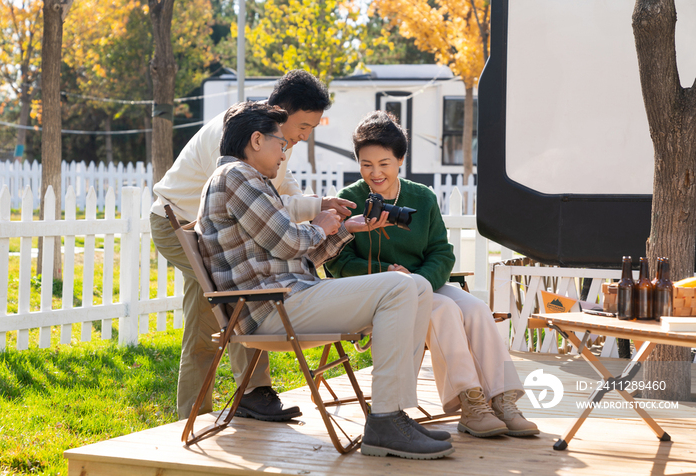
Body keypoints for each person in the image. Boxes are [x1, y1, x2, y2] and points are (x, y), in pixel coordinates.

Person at [195, 101, 454, 459]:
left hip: (289, 297)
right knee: (399, 286)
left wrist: (345, 229)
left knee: (417, 285)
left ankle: (393, 413)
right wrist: (319, 225)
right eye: (280, 143)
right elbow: (288, 240)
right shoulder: (236, 177)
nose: (284, 153)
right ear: (256, 140)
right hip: (271, 308)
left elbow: (296, 255)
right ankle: (385, 420)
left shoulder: (250, 181)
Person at [149, 70, 355, 421]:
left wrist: (319, 203)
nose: (304, 137)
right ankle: (204, 410)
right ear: (282, 111)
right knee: (221, 311)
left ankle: (250, 393)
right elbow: (252, 202)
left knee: (240, 300)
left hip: (218, 226)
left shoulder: (273, 136)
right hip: (179, 223)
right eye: (303, 127)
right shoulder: (239, 134)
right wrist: (315, 212)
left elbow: (279, 188)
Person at [326, 111, 539, 438]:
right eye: (367, 164)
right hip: (374, 294)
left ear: (400, 160)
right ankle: (471, 403)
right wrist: (389, 274)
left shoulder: (421, 197)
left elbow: (441, 251)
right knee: (443, 309)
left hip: (423, 282)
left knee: (477, 308)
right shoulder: (349, 200)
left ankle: (502, 399)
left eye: (384, 163)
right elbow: (337, 263)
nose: (375, 172)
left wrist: (419, 281)